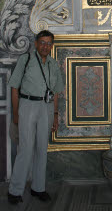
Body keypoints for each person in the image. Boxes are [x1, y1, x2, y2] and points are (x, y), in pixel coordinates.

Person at [7, 30, 64, 204]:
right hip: (28, 105)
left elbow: (55, 93)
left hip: (46, 107)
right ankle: (15, 190)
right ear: (36, 43)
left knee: (42, 149)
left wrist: (55, 115)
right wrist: (16, 114)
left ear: (51, 46)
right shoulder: (26, 60)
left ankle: (38, 188)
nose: (45, 46)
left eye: (49, 43)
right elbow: (14, 88)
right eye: (43, 42)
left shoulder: (53, 64)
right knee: (25, 148)